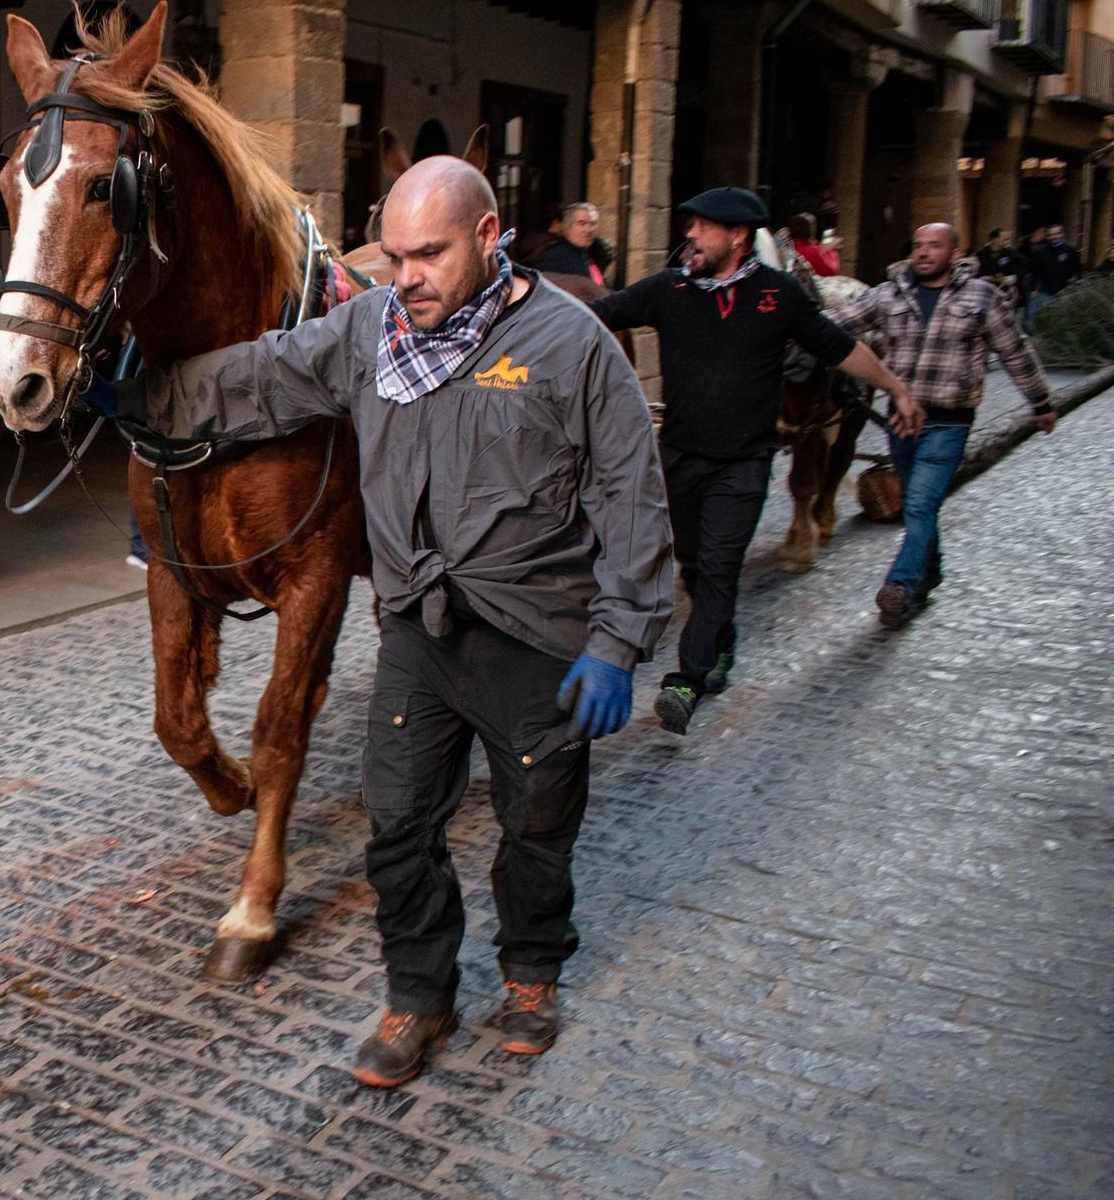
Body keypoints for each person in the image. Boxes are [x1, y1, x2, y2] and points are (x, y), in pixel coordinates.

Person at [115, 157, 675, 1084]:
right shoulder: (372, 329)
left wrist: (619, 642)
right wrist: (138, 397)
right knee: (400, 826)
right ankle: (419, 995)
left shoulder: (571, 347)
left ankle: (532, 972)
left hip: (537, 637)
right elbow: (261, 377)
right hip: (421, 629)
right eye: (398, 254)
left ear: (489, 239)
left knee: (537, 822)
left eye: (430, 254)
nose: (406, 275)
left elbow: (632, 494)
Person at [591, 187, 921, 735]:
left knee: (720, 569)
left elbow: (839, 347)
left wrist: (896, 388)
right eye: (690, 225)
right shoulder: (669, 290)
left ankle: (686, 681)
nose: (690, 235)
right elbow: (594, 313)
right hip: (679, 460)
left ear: (738, 236)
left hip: (743, 465)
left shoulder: (778, 294)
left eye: (702, 226)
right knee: (694, 568)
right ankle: (722, 641)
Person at [827, 223, 1055, 628]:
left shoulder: (981, 297)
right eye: (918, 245)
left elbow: (1014, 351)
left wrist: (1040, 402)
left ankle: (900, 584)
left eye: (934, 246)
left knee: (918, 503)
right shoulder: (889, 294)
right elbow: (835, 323)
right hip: (901, 420)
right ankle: (929, 570)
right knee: (919, 502)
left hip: (949, 422)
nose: (924, 252)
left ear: (954, 252)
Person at [1024, 222, 1082, 331]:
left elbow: (1077, 271)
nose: (1054, 237)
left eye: (1056, 234)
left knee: (1062, 322)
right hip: (1045, 292)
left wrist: (1077, 286)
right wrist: (1032, 289)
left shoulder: (1071, 251)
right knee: (1035, 320)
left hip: (1065, 293)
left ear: (1062, 234)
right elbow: (1034, 273)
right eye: (1051, 235)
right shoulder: (1040, 252)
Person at [534, 203, 608, 285]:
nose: (588, 230)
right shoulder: (553, 258)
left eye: (593, 224)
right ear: (567, 227)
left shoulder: (590, 254)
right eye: (582, 223)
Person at [787, 212, 840, 278]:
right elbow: (831, 271)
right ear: (811, 230)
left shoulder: (785, 247)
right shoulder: (810, 251)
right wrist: (831, 250)